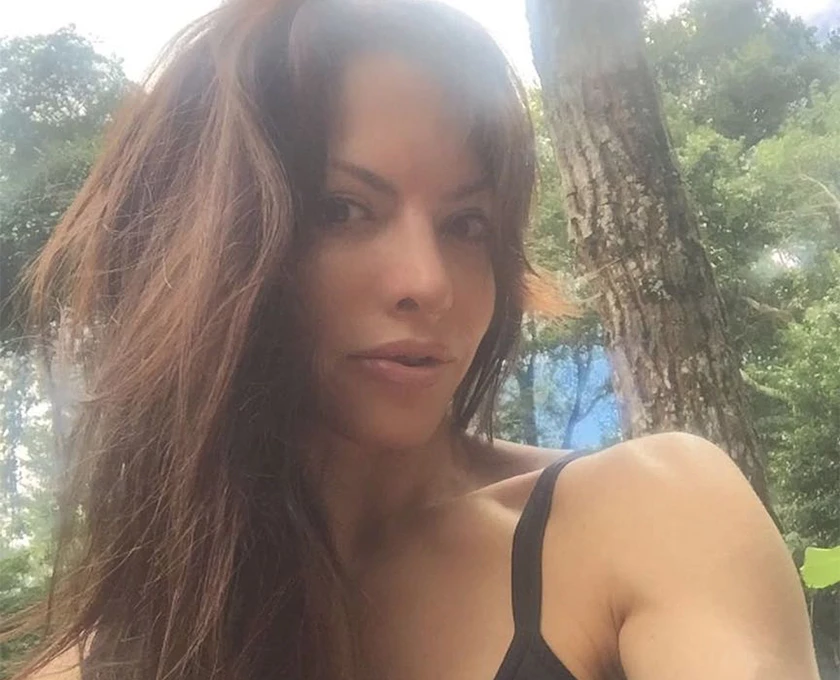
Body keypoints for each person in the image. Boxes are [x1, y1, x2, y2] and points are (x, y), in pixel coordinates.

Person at [14, 0, 818, 679]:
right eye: (341, 210)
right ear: (197, 247)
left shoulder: (650, 516)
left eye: (467, 224)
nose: (429, 283)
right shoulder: (102, 659)